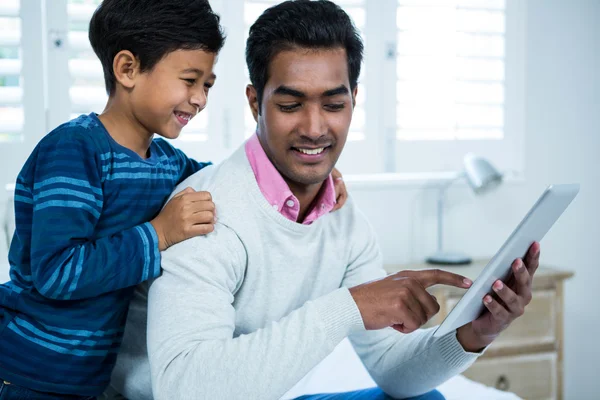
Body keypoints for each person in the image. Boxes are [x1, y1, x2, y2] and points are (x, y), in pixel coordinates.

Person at [110, 1, 541, 399]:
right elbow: (184, 388)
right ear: (255, 102)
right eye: (291, 104)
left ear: (355, 100)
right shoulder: (202, 214)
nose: (315, 128)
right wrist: (347, 308)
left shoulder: (343, 220)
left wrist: (473, 335)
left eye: (334, 104)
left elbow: (392, 372)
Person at [0, 1, 225, 398]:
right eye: (189, 80)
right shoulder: (75, 149)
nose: (200, 98)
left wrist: (301, 175)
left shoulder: (168, 164)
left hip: (92, 380)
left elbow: (226, 179)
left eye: (207, 85)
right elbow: (58, 271)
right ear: (128, 69)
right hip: (27, 371)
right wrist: (158, 234)